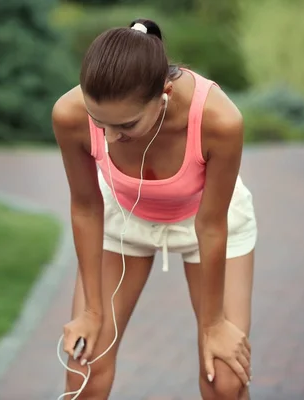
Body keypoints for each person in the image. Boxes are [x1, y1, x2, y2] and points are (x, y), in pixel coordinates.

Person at [52, 18, 258, 400]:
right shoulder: (69, 113)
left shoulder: (219, 120)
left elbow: (211, 227)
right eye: (100, 122)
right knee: (85, 368)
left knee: (225, 380)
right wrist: (92, 312)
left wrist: (214, 325)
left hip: (209, 221)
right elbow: (85, 207)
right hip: (123, 219)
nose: (110, 138)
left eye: (126, 125)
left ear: (163, 94)